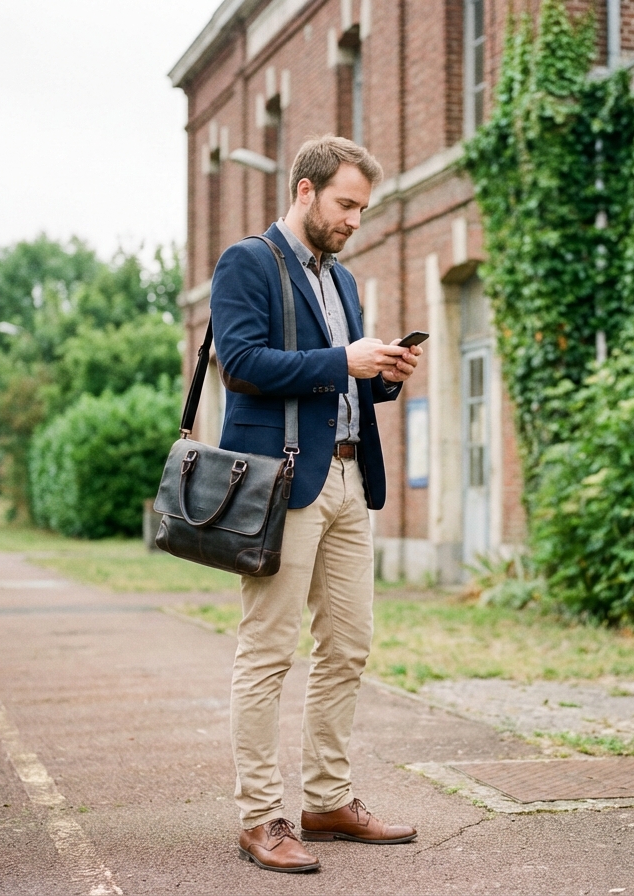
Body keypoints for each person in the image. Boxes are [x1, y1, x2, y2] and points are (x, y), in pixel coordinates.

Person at [210, 135, 423, 874]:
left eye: (363, 209)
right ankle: (260, 816)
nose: (355, 220)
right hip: (282, 483)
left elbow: (345, 383)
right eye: (345, 205)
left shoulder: (346, 281)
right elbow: (240, 365)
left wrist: (383, 373)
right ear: (304, 191)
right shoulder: (248, 262)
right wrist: (343, 360)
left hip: (346, 481)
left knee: (349, 645)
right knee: (268, 651)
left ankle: (327, 800)